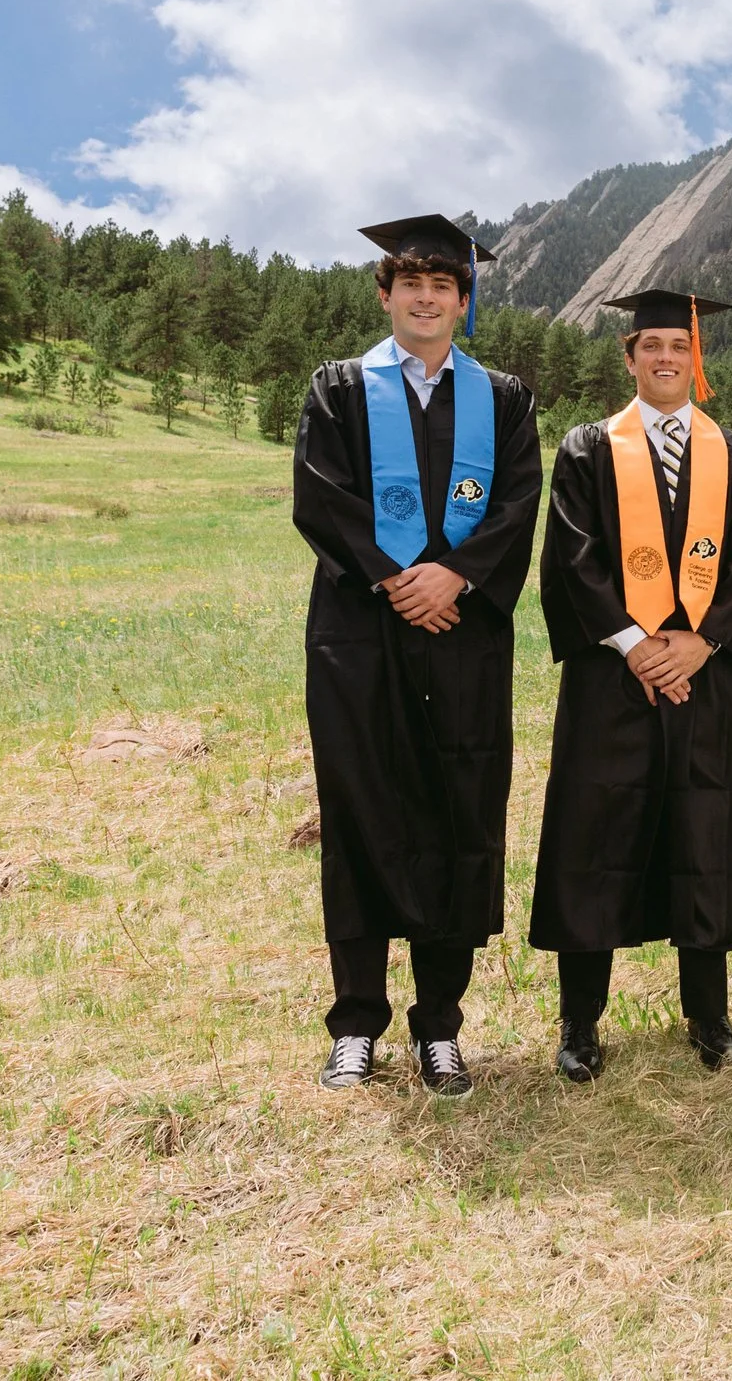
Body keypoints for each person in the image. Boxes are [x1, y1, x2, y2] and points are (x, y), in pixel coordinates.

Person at [292, 214, 542, 1099]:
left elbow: (517, 504)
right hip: (361, 633)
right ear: (386, 294)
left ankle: (440, 1024)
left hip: (463, 637)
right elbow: (320, 499)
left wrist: (457, 578)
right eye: (412, 283)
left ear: (463, 299)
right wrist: (400, 579)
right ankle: (356, 1021)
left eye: (444, 285)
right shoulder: (338, 389)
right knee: (360, 809)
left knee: (457, 813)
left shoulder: (503, 399)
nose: (427, 297)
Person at [528, 290, 732, 1079]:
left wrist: (702, 644)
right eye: (652, 345)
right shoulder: (587, 447)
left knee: (705, 833)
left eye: (680, 344)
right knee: (593, 837)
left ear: (695, 356)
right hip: (613, 678)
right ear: (629, 356)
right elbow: (574, 557)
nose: (667, 357)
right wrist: (637, 644)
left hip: (704, 678)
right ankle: (580, 1022)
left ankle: (709, 1013)